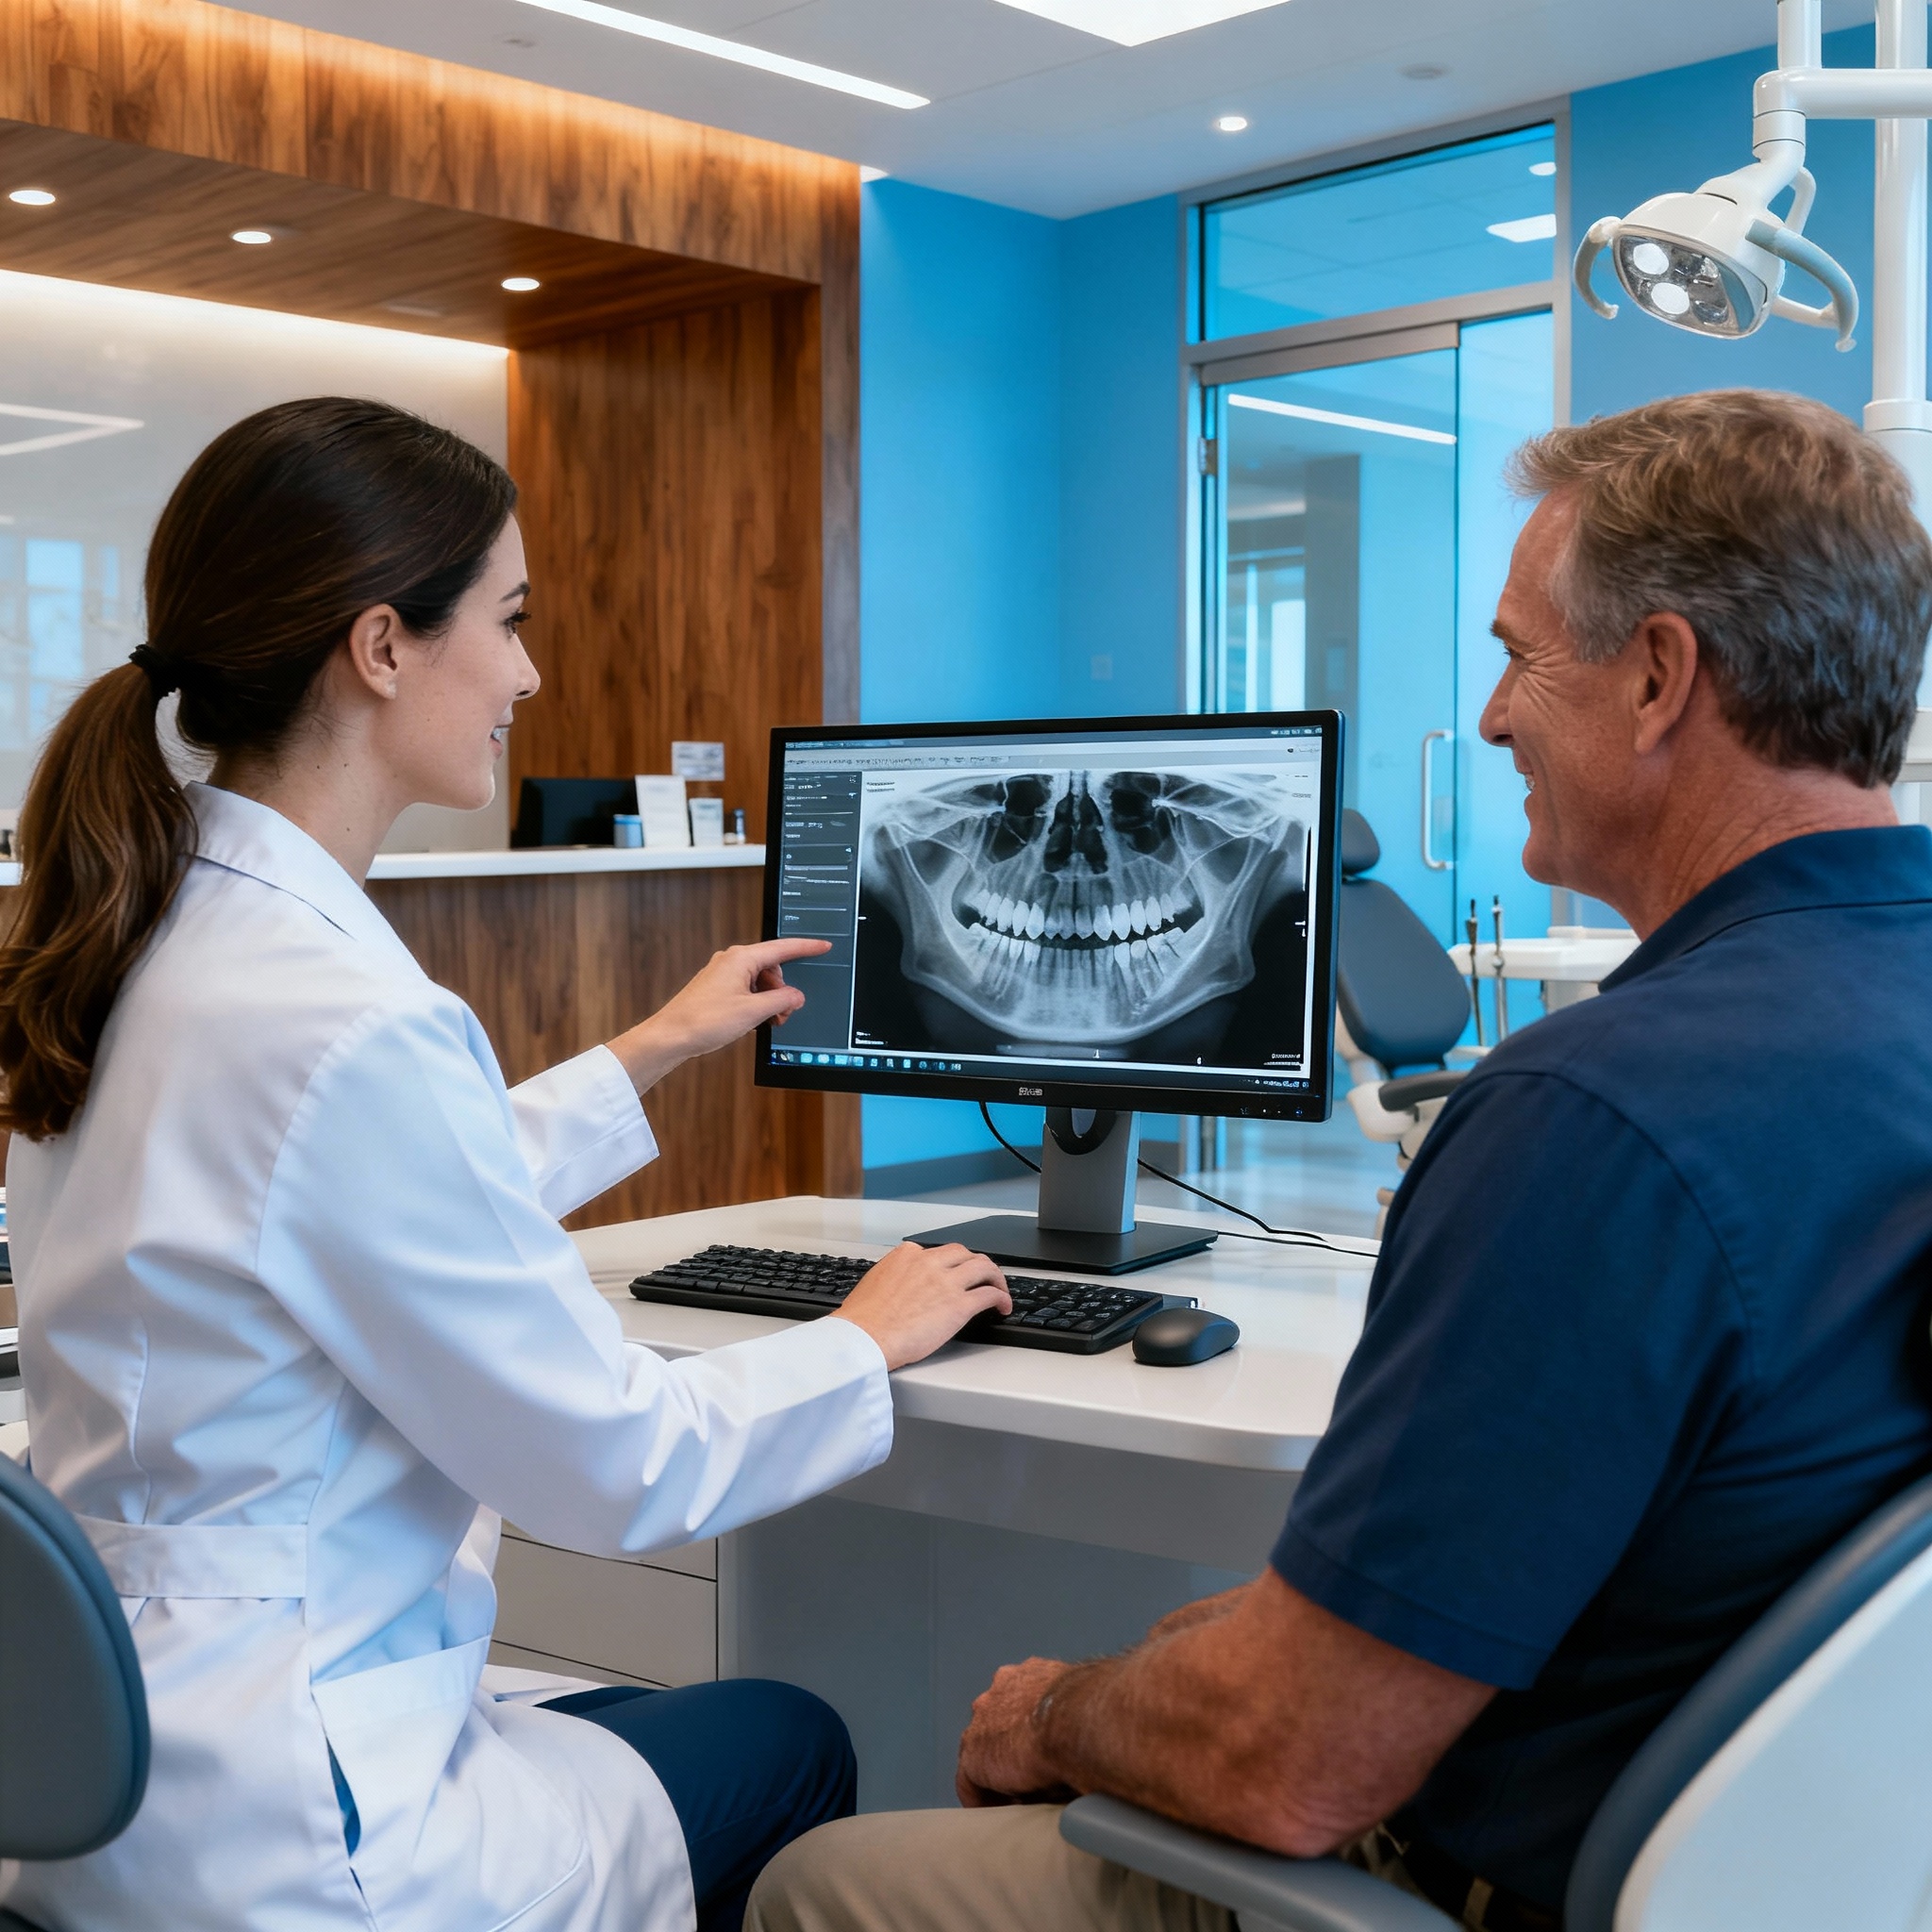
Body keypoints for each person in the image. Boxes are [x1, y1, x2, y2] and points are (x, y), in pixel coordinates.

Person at [745, 388, 1932, 1932]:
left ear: (1657, 679)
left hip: (1476, 1884)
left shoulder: (1595, 1118)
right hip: (1826, 1866)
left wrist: (1051, 1712)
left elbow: (1286, 1764)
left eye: (1519, 654)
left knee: (814, 1881)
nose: (1495, 715)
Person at [0, 397, 1010, 1932]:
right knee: (789, 1739)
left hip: (105, 1790)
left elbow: (329, 1204)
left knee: (617, 1722)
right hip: (305, 1830)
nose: (529, 673)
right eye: (511, 620)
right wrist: (853, 1344)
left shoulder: (122, 938)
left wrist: (653, 1048)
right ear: (383, 645)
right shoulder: (343, 1019)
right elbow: (620, 1463)